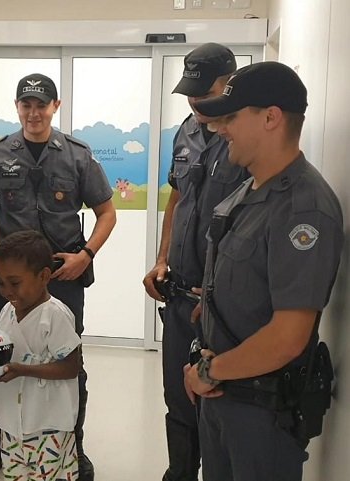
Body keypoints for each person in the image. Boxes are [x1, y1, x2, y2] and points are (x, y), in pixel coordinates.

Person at [183, 61, 343, 481]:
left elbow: (288, 338)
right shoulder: (247, 190)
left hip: (261, 417)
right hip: (223, 399)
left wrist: (207, 373)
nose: (220, 129)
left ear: (271, 117)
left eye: (231, 117)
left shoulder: (303, 209)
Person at [0, 73, 116, 481]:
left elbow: (107, 213)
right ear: (17, 107)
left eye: (41, 105)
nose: (33, 113)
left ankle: (74, 446)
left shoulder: (77, 155)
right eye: (26, 105)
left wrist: (86, 255)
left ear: (56, 106)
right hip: (12, 281)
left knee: (69, 362)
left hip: (63, 275)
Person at [141, 43, 248, 481]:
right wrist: (161, 259)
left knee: (217, 400)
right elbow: (178, 199)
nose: (196, 102)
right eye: (190, 92)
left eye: (205, 92)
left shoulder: (244, 135)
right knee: (178, 398)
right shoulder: (184, 132)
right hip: (181, 295)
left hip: (223, 303)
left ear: (230, 83)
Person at [0, 230, 82, 480]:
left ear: (44, 276)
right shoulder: (6, 313)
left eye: (15, 283)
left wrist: (22, 370)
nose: (7, 291)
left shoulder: (54, 315)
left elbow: (70, 367)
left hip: (48, 426)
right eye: (1, 282)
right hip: (11, 425)